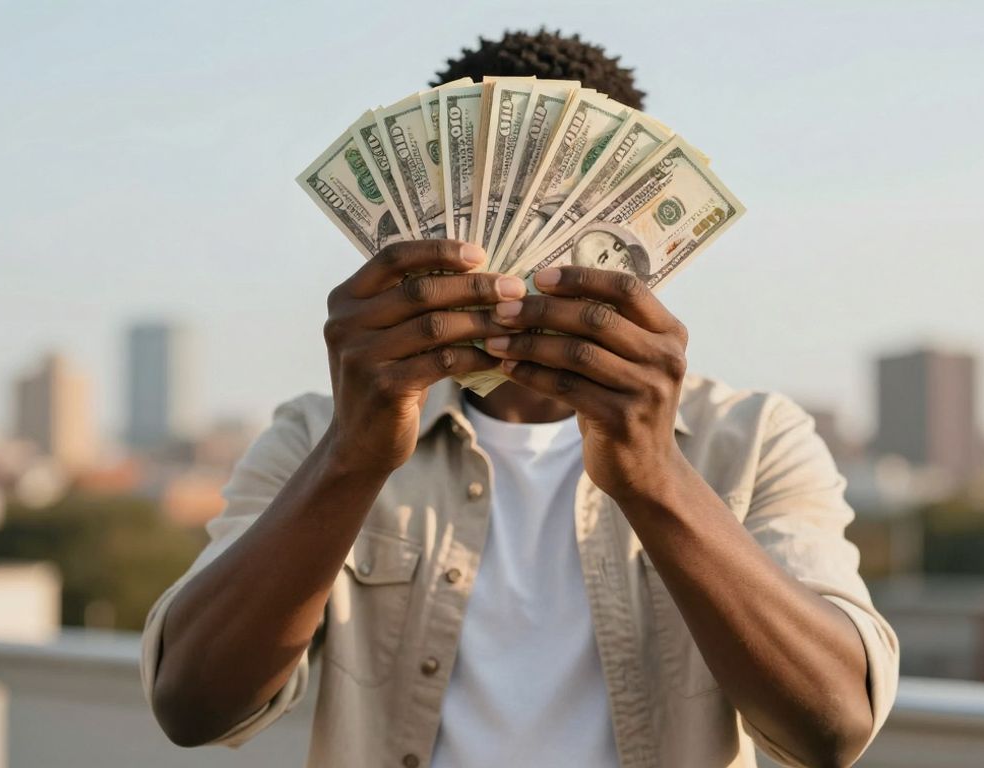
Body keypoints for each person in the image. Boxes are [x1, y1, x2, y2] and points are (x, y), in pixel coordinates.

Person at [142, 29, 898, 768]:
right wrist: (350, 457)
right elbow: (193, 706)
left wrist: (655, 475)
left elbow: (832, 728)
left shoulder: (755, 436)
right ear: (428, 213)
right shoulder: (318, 431)